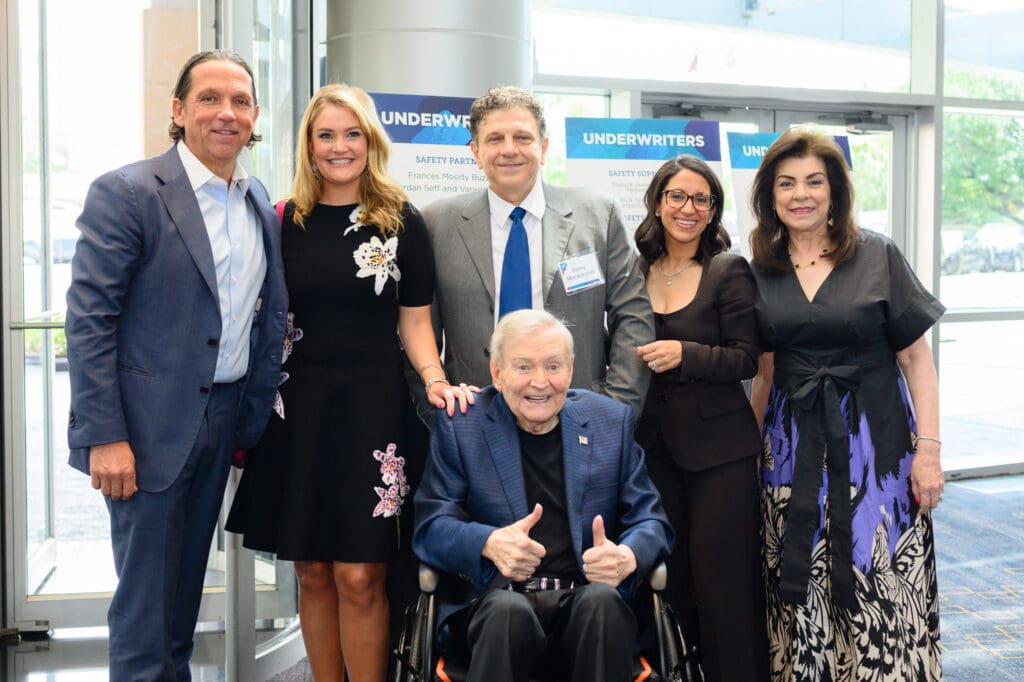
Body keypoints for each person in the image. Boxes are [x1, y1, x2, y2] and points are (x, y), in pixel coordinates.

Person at [224, 83, 473, 682]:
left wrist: (435, 378)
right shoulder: (283, 220)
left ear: (371, 141)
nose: (339, 147)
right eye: (326, 135)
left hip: (374, 413)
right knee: (312, 569)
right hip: (297, 414)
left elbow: (415, 321)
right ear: (309, 146)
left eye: (352, 134)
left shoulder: (401, 220)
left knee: (360, 574)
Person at [64, 50, 287, 680]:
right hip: (144, 431)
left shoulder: (254, 197)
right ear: (179, 109)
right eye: (210, 98)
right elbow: (89, 323)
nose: (226, 112)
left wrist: (249, 411)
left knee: (183, 604)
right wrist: (105, 435)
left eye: (240, 101)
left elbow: (262, 311)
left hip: (222, 419)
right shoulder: (129, 192)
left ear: (254, 116)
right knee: (144, 615)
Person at [748, 128, 944, 680]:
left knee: (875, 567)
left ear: (836, 190)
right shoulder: (759, 266)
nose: (800, 194)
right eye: (786, 183)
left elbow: (916, 360)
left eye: (814, 181)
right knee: (799, 570)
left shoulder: (877, 253)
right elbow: (764, 374)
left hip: (875, 444)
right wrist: (748, 452)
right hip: (790, 448)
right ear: (770, 194)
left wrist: (927, 450)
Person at [413, 309, 673, 682]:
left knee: (601, 602)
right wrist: (487, 543)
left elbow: (652, 521)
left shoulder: (609, 422)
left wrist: (626, 556)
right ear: (497, 373)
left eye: (553, 366)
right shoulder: (462, 427)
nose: (540, 382)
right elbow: (430, 528)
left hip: (584, 603)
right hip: (496, 606)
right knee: (507, 612)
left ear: (570, 368)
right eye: (523, 367)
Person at [417, 85, 654, 421]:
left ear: (543, 148)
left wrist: (615, 409)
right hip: (472, 422)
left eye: (523, 138)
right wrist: (438, 412)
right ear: (475, 152)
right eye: (495, 139)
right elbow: (416, 326)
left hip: (581, 417)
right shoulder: (436, 223)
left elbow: (633, 318)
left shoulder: (599, 216)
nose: (509, 149)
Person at [633, 155, 769, 681]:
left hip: (720, 454)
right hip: (651, 451)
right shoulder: (635, 266)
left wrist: (685, 353)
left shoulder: (727, 269)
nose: (688, 208)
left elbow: (746, 357)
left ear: (713, 210)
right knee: (668, 576)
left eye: (701, 199)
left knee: (722, 583)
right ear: (658, 201)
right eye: (677, 196)